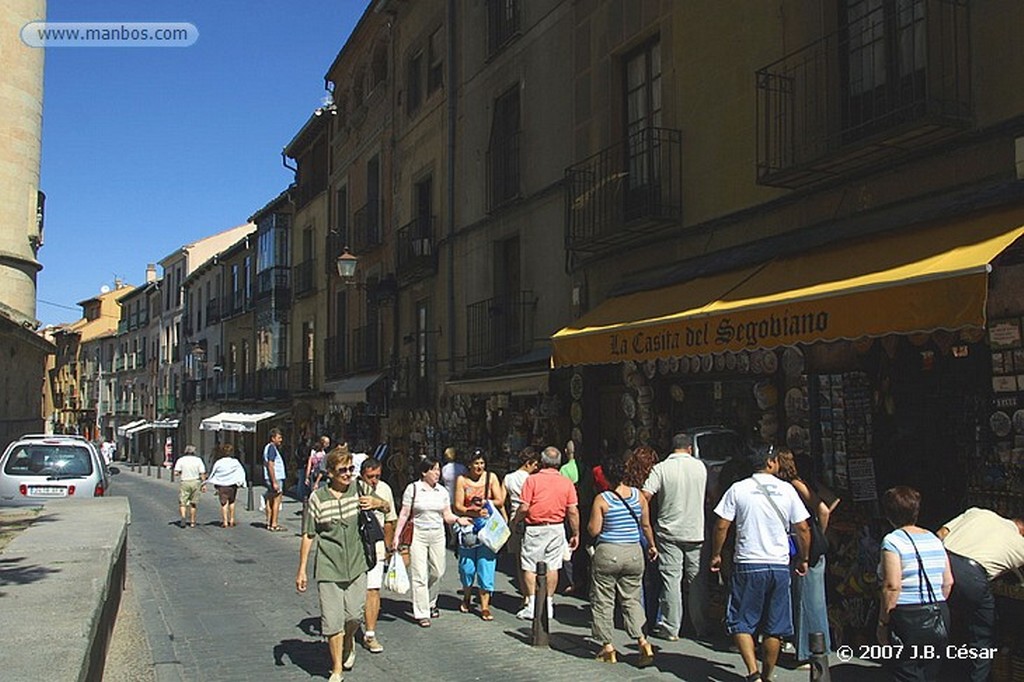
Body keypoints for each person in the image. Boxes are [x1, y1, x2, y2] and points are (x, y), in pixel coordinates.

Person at [710, 444, 810, 682]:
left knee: (741, 621)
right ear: (770, 462)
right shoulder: (787, 490)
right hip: (778, 564)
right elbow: (803, 528)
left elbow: (722, 524)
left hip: (748, 562)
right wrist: (804, 558)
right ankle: (767, 675)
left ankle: (752, 672)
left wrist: (716, 553)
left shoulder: (738, 489)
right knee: (775, 626)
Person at [296, 447, 368, 682]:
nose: (348, 474)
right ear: (329, 473)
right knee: (333, 620)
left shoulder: (358, 489)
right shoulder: (318, 498)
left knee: (355, 615)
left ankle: (349, 642)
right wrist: (302, 570)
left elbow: (385, 504)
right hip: (328, 566)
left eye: (350, 469)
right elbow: (308, 534)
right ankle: (336, 668)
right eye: (342, 470)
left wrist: (378, 504)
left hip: (357, 563)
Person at [935, 509, 1024, 682]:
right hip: (972, 577)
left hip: (940, 564)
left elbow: (940, 533)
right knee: (983, 635)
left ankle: (938, 673)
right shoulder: (1019, 543)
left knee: (941, 626)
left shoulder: (979, 513)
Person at [588, 452, 659, 666]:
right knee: (632, 599)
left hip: (609, 552)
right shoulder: (638, 496)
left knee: (603, 599)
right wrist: (652, 545)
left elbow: (594, 530)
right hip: (634, 552)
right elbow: (645, 525)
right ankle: (642, 641)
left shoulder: (602, 499)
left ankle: (607, 646)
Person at [877, 486, 953, 682]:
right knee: (931, 672)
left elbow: (892, 585)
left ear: (889, 514)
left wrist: (883, 623)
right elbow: (948, 581)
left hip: (907, 615)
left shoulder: (892, 541)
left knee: (905, 671)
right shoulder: (934, 539)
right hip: (938, 612)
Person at [642, 433, 707, 641]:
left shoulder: (661, 468)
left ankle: (671, 627)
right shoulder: (700, 467)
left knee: (672, 579)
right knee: (696, 580)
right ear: (690, 448)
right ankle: (700, 625)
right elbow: (711, 493)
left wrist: (647, 521)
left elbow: (645, 495)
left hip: (668, 531)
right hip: (695, 530)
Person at [392, 458, 471, 627]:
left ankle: (430, 601)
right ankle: (422, 612)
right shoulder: (413, 489)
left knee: (438, 571)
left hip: (437, 534)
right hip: (418, 534)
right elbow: (405, 514)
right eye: (434, 470)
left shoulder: (441, 491)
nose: (437, 473)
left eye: (438, 470)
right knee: (419, 574)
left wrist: (458, 519)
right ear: (424, 472)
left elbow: (447, 515)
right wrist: (396, 536)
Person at [775, 448, 832, 665]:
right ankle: (809, 647)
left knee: (808, 599)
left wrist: (816, 537)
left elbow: (823, 510)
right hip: (804, 545)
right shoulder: (797, 484)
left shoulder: (795, 486)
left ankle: (811, 651)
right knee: (805, 597)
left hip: (805, 547)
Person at [512, 445, 580, 622]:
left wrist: (515, 521)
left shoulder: (532, 480)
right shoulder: (566, 483)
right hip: (556, 527)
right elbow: (572, 511)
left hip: (535, 527)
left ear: (542, 462)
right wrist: (575, 532)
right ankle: (548, 604)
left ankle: (532, 604)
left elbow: (524, 507)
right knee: (553, 566)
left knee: (529, 565)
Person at [453, 447, 505, 620]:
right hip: (468, 524)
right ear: (469, 464)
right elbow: (458, 505)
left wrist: (486, 503)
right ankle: (467, 596)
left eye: (482, 463)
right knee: (467, 566)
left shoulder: (491, 478)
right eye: (476, 463)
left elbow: (500, 500)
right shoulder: (462, 480)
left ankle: (484, 606)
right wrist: (472, 510)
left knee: (486, 564)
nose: (479, 466)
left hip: (488, 526)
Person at [357, 457, 396, 654]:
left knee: (373, 589)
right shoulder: (352, 489)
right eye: (370, 477)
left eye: (377, 476)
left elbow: (390, 518)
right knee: (354, 593)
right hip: (355, 547)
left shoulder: (384, 489)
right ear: (362, 474)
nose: (374, 480)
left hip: (377, 545)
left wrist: (389, 546)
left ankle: (370, 634)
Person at [624, 445, 662, 634]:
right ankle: (654, 616)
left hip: (633, 529)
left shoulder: (628, 481)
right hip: (650, 528)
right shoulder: (656, 478)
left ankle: (637, 617)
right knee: (654, 577)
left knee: (635, 578)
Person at [503, 446, 540, 607]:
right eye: (535, 464)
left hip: (514, 518)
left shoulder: (508, 478)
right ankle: (535, 593)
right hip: (531, 519)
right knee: (534, 558)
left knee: (520, 560)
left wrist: (506, 518)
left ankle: (525, 595)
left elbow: (501, 501)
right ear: (528, 463)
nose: (537, 467)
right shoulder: (533, 479)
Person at [205, 442, 247, 528]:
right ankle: (231, 519)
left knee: (224, 503)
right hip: (232, 485)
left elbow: (214, 472)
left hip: (222, 485)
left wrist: (209, 481)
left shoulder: (219, 462)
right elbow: (241, 472)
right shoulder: (235, 462)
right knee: (232, 501)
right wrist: (242, 482)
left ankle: (225, 522)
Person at [172, 444, 206, 528]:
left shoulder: (181, 460)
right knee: (193, 503)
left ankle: (183, 517)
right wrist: (204, 484)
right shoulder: (198, 460)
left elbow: (176, 473)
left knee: (182, 502)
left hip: (185, 481)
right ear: (194, 451)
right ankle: (192, 522)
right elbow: (202, 473)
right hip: (195, 482)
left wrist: (181, 472)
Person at [263, 428, 286, 531]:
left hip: (269, 477)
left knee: (269, 500)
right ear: (273, 438)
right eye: (279, 437)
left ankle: (269, 522)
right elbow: (270, 465)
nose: (280, 440)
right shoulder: (272, 448)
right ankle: (274, 524)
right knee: (276, 500)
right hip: (275, 477)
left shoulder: (267, 448)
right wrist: (274, 481)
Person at [305, 435, 330, 500]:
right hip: (317, 474)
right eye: (326, 443)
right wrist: (307, 477)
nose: (328, 445)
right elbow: (310, 464)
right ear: (322, 443)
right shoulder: (318, 453)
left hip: (320, 475)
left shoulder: (322, 452)